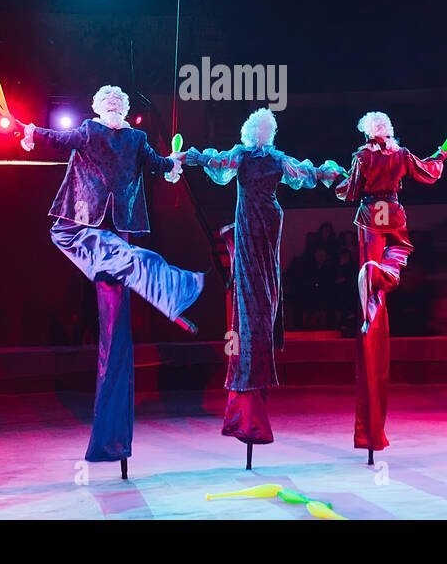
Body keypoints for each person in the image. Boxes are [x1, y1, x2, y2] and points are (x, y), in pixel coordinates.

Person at [19, 85, 204, 477]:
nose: (115, 107)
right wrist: (32, 132)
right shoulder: (87, 131)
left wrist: (172, 165)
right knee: (111, 252)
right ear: (96, 108)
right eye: (108, 103)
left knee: (116, 334)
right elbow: (58, 139)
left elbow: (157, 165)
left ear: (126, 109)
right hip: (86, 225)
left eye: (120, 102)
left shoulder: (136, 139)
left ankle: (112, 440)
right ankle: (171, 287)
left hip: (120, 231)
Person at [185, 107, 343, 467]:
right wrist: (188, 157)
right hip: (248, 226)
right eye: (259, 129)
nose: (264, 134)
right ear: (249, 132)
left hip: (270, 226)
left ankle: (255, 379)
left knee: (267, 300)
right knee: (251, 308)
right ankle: (247, 398)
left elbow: (306, 174)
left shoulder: (278, 159)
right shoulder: (240, 156)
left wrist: (329, 173)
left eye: (268, 129)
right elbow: (216, 162)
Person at [335, 111, 447, 461]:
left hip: (370, 214)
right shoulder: (400, 154)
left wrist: (336, 180)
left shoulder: (362, 156)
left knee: (370, 288)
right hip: (393, 210)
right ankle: (384, 273)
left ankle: (371, 288)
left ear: (368, 132)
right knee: (400, 249)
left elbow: (350, 189)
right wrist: (442, 153)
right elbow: (427, 172)